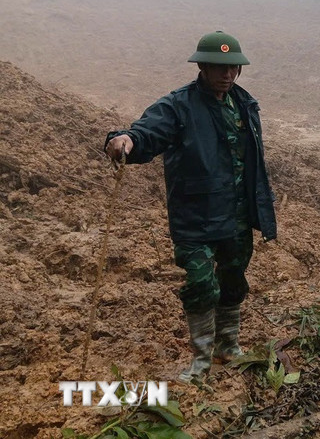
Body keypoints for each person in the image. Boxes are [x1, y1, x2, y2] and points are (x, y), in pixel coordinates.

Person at [104, 31, 277, 383]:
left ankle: (228, 347)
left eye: (233, 68)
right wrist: (124, 140)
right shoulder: (179, 105)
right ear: (202, 65)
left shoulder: (245, 103)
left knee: (233, 281)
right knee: (201, 283)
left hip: (238, 214)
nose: (227, 74)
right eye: (219, 67)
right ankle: (200, 359)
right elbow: (147, 132)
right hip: (196, 216)